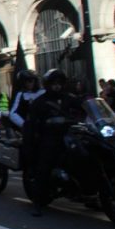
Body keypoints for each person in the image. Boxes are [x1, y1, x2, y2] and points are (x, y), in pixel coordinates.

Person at [24, 69, 80, 217]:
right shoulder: (39, 102)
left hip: (70, 136)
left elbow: (83, 107)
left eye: (59, 83)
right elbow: (31, 125)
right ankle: (37, 203)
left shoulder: (69, 98)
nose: (57, 86)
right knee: (44, 166)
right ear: (48, 85)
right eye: (54, 84)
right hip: (50, 138)